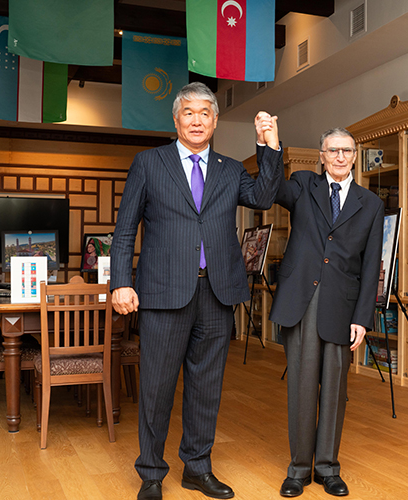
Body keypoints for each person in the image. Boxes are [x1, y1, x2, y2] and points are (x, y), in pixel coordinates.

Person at [109, 82, 282, 500]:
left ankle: (197, 468)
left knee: (206, 387)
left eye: (206, 112)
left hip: (217, 292)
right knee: (156, 387)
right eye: (189, 112)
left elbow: (263, 197)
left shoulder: (229, 169)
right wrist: (121, 282)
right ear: (176, 120)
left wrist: (269, 146)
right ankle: (151, 473)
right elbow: (125, 228)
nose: (197, 120)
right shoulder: (149, 163)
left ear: (216, 121)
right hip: (163, 292)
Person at [268, 128, 383, 497]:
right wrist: (271, 147)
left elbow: (371, 266)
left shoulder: (371, 203)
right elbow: (273, 189)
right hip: (302, 299)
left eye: (346, 150)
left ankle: (328, 468)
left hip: (343, 306)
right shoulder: (303, 185)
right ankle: (299, 469)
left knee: (335, 390)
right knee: (302, 388)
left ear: (355, 156)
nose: (340, 156)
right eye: (332, 150)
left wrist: (362, 318)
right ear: (321, 155)